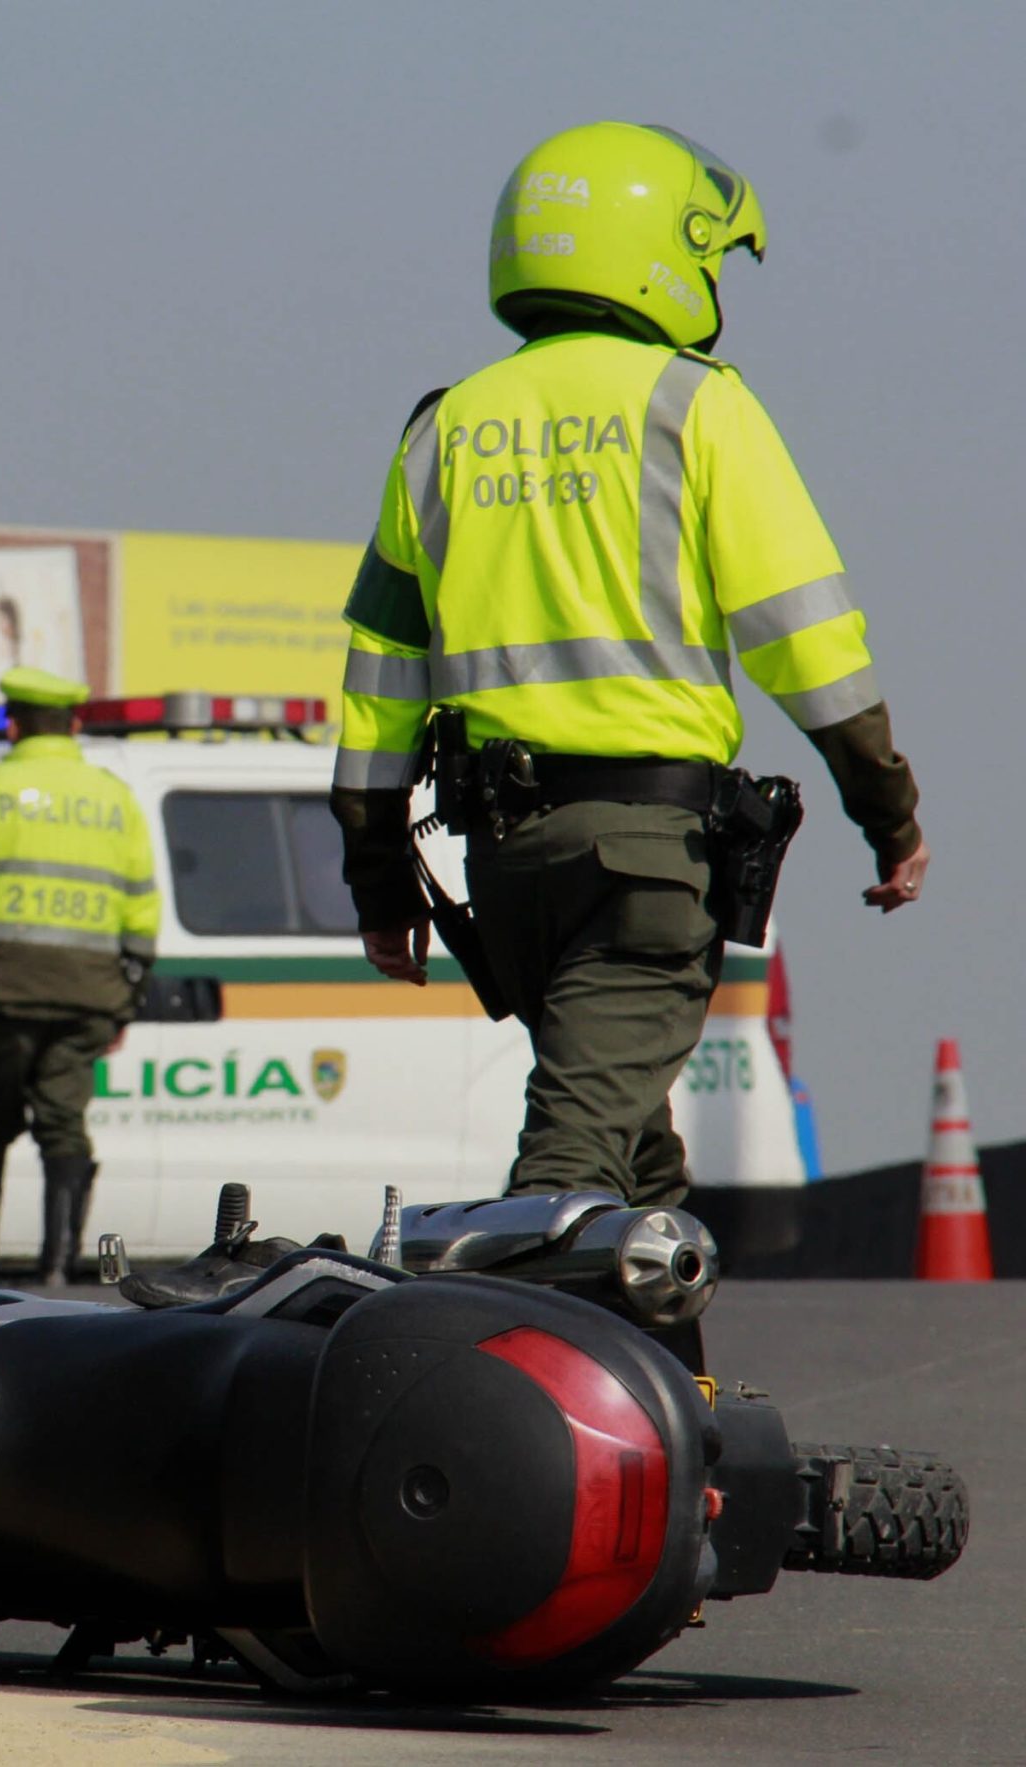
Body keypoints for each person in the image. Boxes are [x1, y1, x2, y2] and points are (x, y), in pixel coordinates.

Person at [331, 121, 927, 1214]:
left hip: (505, 870)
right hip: (645, 861)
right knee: (566, 1173)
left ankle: (667, 1389)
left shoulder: (442, 427)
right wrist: (888, 813)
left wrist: (378, 883)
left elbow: (377, 686)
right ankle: (489, 1370)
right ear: (654, 248)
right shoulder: (698, 406)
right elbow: (809, 644)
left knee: (633, 1162)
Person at [0, 668, 159, 1285]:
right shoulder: (113, 796)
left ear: (13, 723)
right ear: (74, 724)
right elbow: (141, 906)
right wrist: (125, 1000)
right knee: (63, 1126)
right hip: (85, 996)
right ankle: (57, 1268)